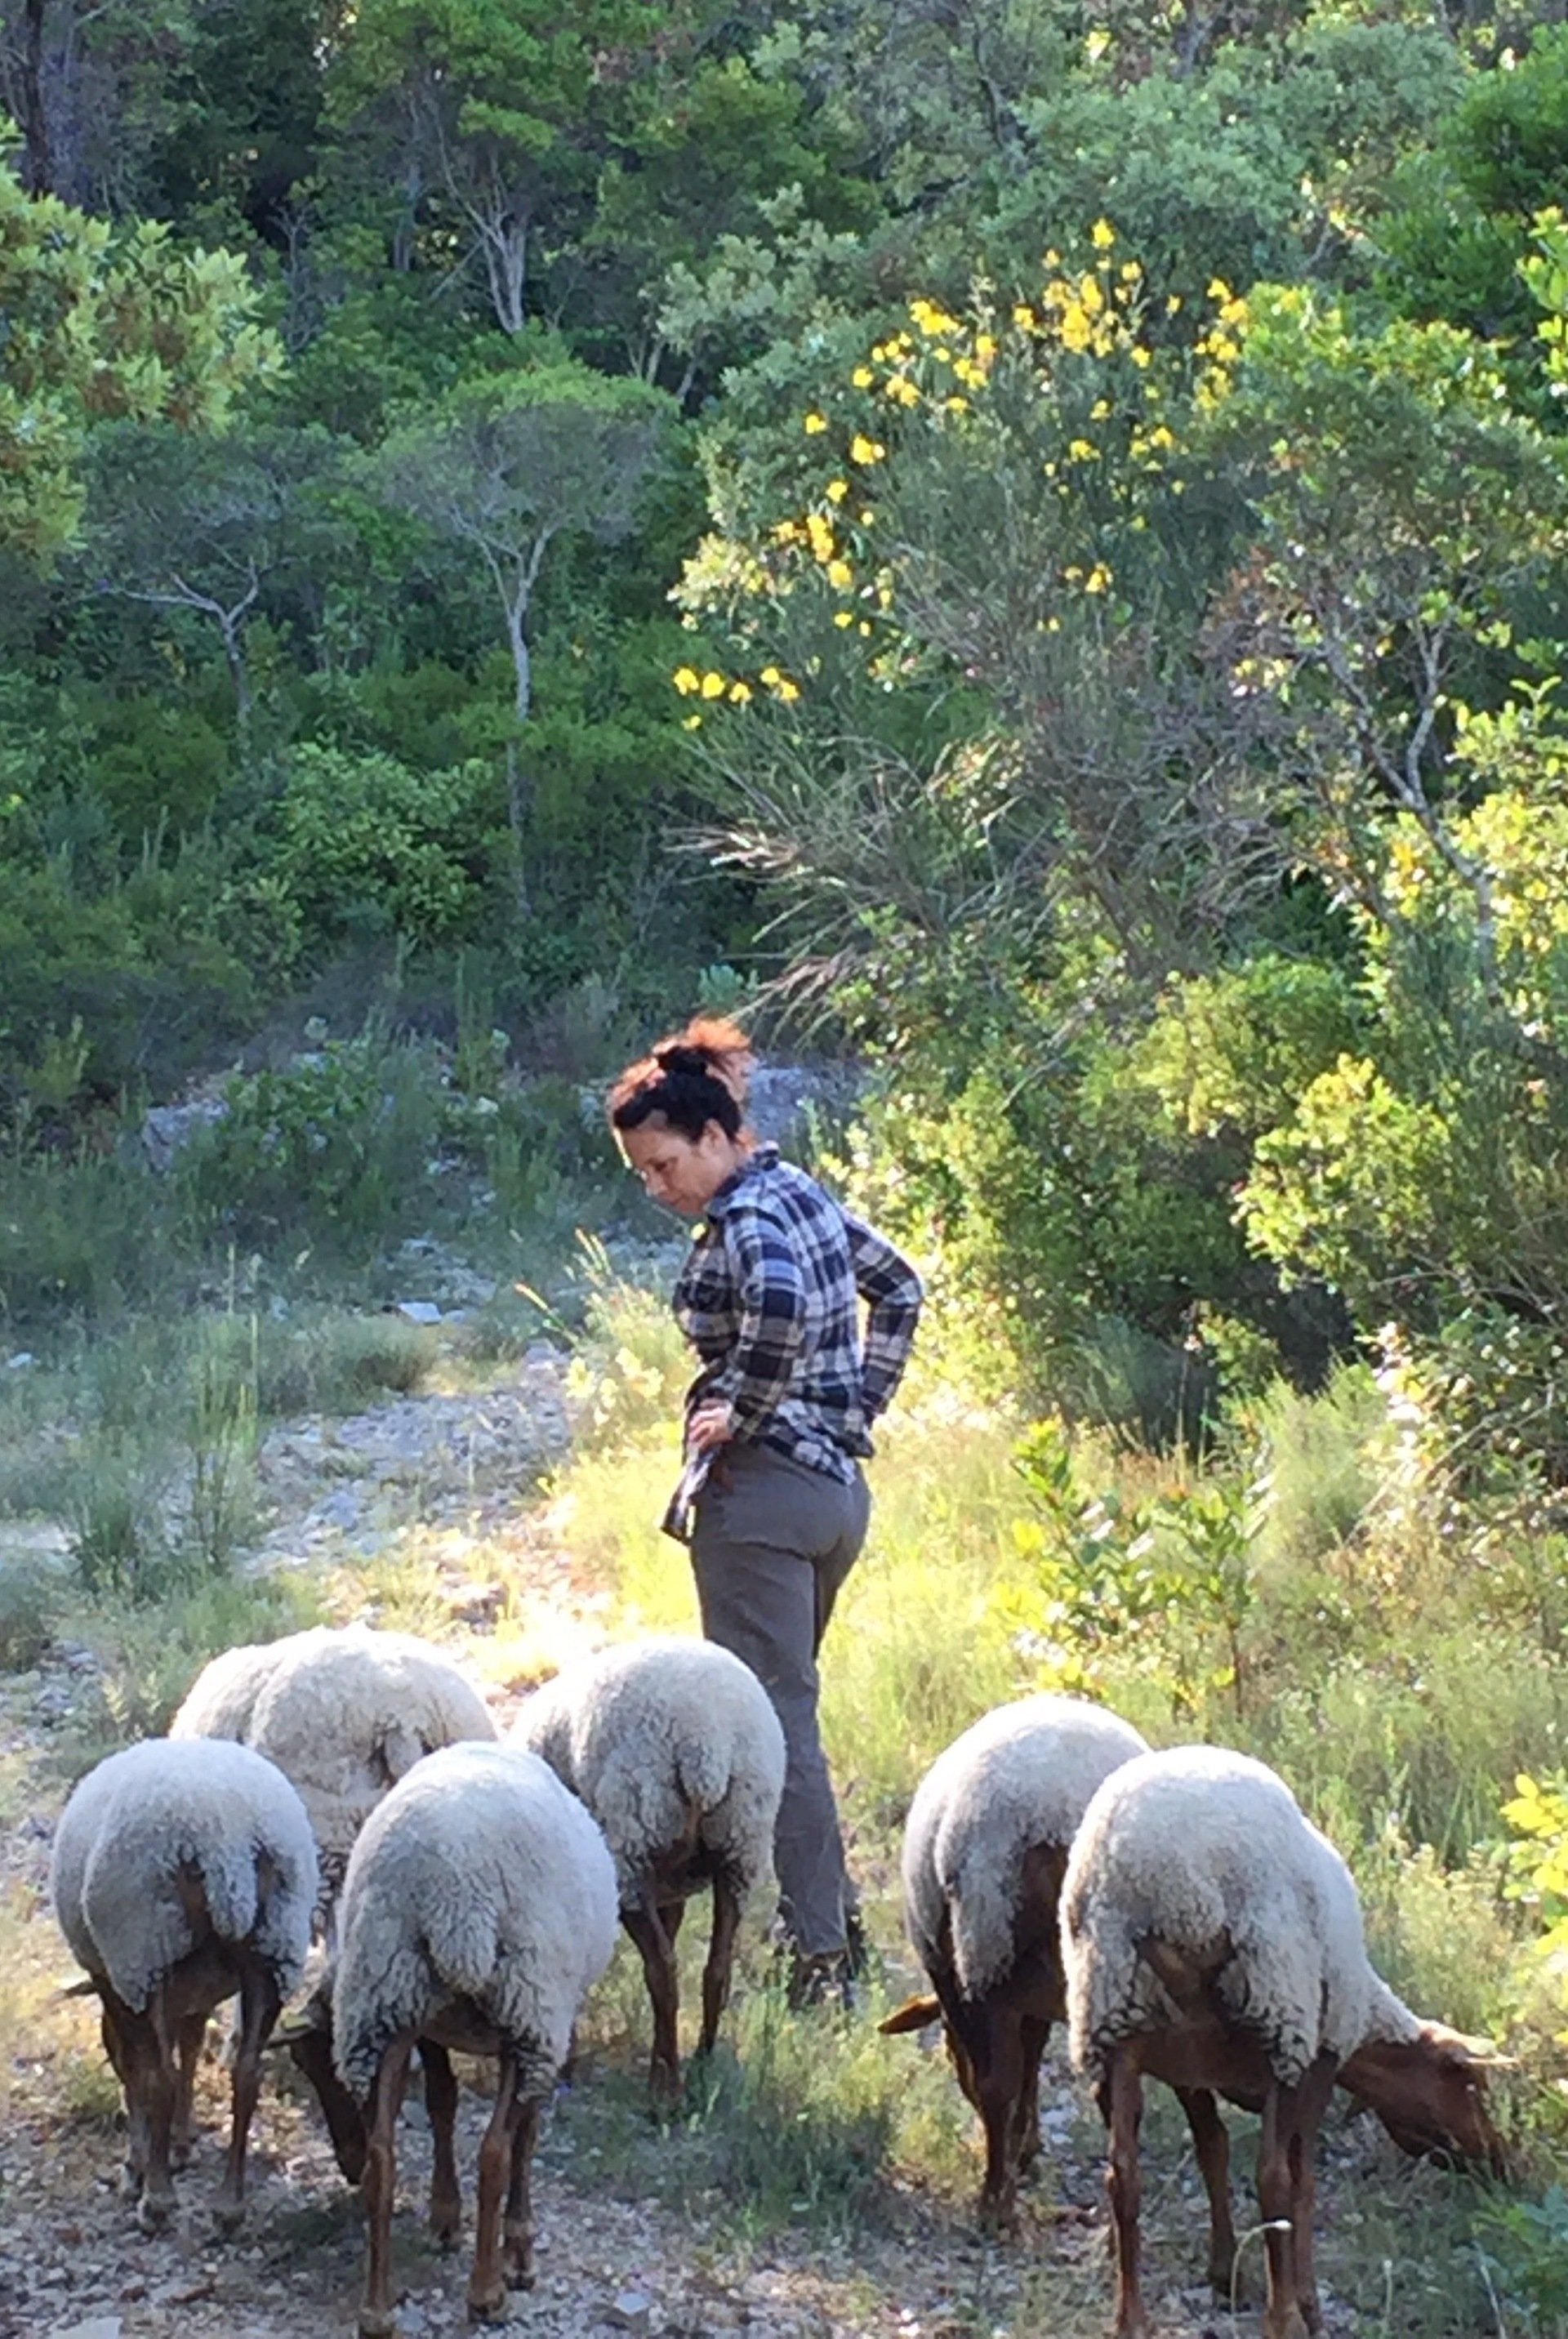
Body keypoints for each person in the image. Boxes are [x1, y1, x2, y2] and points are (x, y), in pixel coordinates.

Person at [608, 1018, 923, 2002]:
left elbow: (779, 1309)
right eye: (642, 1174)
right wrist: (854, 1407)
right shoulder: (803, 1193)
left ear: (713, 1136)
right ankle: (825, 1923)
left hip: (764, 1499)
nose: (658, 1188)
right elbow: (901, 1287)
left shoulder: (745, 1215)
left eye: (663, 1165)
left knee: (773, 1730)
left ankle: (821, 1953)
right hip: (834, 1493)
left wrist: (739, 1408)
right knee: (789, 1714)